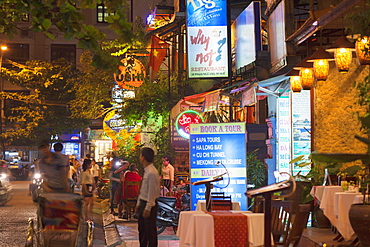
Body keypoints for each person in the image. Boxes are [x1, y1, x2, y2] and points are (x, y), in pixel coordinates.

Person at [135, 147, 160, 247]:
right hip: (143, 202)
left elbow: (152, 191)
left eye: (140, 155)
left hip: (149, 204)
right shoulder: (147, 171)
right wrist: (138, 204)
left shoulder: (152, 173)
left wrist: (148, 208)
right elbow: (144, 190)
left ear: (143, 157)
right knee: (142, 230)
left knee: (150, 232)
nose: (139, 157)